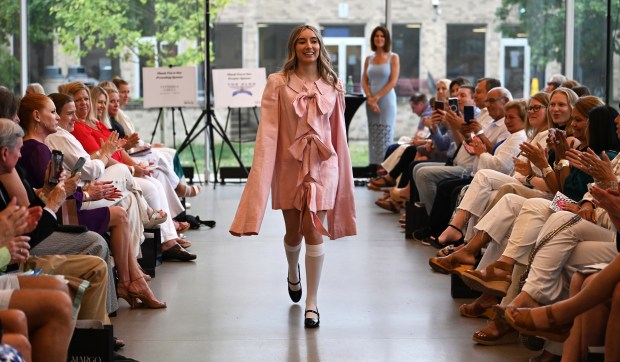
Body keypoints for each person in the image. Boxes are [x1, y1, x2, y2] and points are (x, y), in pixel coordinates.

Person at [229, 25, 356, 328]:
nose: (308, 46)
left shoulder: (333, 84)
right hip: (289, 167)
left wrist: (343, 176)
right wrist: (262, 172)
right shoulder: (278, 83)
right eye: (302, 41)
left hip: (325, 168)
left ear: (320, 46)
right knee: (294, 232)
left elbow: (339, 134)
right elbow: (269, 132)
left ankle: (312, 304)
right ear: (294, 47)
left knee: (313, 230)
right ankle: (292, 270)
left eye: (313, 41)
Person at [362, 26, 400, 168]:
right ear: (373, 39)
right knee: (374, 135)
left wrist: (375, 98)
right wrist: (370, 98)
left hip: (386, 101)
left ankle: (384, 169)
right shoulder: (369, 59)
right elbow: (364, 80)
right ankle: (373, 167)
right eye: (376, 36)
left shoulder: (393, 57)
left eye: (382, 36)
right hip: (371, 102)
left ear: (386, 39)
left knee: (386, 133)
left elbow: (393, 81)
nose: (379, 38)